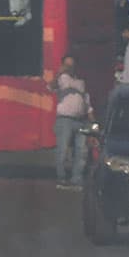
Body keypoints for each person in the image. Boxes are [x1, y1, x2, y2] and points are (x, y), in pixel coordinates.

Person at [51, 56, 90, 187]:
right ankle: (61, 177)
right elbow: (51, 87)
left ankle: (76, 178)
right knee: (62, 150)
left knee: (81, 151)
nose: (69, 67)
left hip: (81, 120)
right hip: (65, 120)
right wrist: (59, 73)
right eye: (67, 65)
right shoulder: (62, 78)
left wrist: (92, 119)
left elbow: (87, 101)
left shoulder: (81, 82)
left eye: (71, 65)